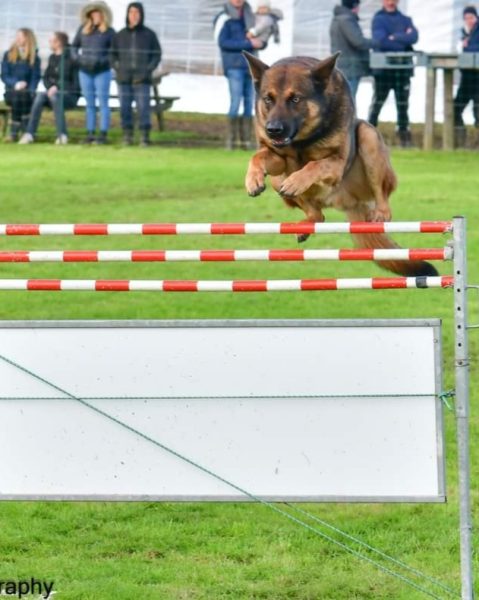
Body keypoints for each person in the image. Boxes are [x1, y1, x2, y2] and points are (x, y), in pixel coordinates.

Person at [214, 0, 263, 150]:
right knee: (235, 102)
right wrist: (248, 44)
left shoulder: (251, 16)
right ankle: (231, 141)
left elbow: (260, 36)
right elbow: (223, 42)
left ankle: (246, 141)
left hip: (251, 66)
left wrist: (262, 42)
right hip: (234, 66)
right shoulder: (223, 17)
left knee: (250, 103)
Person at [368, 0, 418, 147]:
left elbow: (414, 37)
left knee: (403, 104)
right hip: (384, 70)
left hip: (402, 69)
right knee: (377, 102)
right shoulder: (378, 19)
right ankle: (369, 135)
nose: (390, 1)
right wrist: (403, 37)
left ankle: (404, 138)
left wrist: (394, 37)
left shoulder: (405, 19)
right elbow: (381, 41)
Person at [111, 2, 162, 147]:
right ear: (127, 15)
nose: (134, 16)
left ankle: (144, 136)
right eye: (131, 12)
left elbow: (156, 55)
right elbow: (112, 56)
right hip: (124, 79)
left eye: (137, 13)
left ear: (141, 14)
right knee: (125, 108)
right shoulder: (120, 35)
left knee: (143, 108)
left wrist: (148, 70)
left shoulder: (149, 35)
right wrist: (117, 68)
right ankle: (127, 135)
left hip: (142, 79)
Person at [19, 32, 80, 145]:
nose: (49, 43)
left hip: (69, 95)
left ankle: (62, 135)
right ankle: (29, 134)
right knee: (40, 96)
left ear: (59, 43)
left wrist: (57, 87)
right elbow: (46, 77)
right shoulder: (52, 58)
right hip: (52, 93)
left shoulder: (71, 59)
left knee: (55, 97)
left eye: (51, 40)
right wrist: (50, 87)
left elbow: (75, 82)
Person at [72, 1, 115, 144]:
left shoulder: (109, 32)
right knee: (89, 104)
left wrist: (102, 61)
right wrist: (79, 60)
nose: (96, 15)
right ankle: (89, 133)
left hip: (102, 72)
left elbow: (113, 53)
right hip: (84, 71)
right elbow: (73, 48)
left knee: (103, 103)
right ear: (90, 15)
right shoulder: (82, 30)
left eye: (98, 12)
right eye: (93, 12)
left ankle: (103, 133)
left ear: (103, 15)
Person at [1, 28, 41, 142]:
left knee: (23, 96)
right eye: (17, 36)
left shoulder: (34, 58)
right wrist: (16, 84)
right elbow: (4, 75)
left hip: (27, 93)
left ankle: (13, 133)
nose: (17, 39)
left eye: (21, 36)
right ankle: (24, 130)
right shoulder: (8, 55)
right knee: (18, 97)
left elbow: (35, 77)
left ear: (27, 38)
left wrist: (31, 90)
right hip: (11, 92)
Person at [329, 0, 373, 100]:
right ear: (355, 6)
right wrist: (375, 42)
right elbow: (358, 41)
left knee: (343, 98)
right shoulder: (347, 20)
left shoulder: (337, 19)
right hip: (350, 67)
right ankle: (350, 116)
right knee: (349, 98)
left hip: (343, 65)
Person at [454, 6, 479, 148]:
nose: (469, 21)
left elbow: (474, 48)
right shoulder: (464, 32)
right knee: (456, 108)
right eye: (466, 18)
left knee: (478, 110)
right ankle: (461, 140)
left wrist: (465, 47)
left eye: (471, 17)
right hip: (467, 77)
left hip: (477, 77)